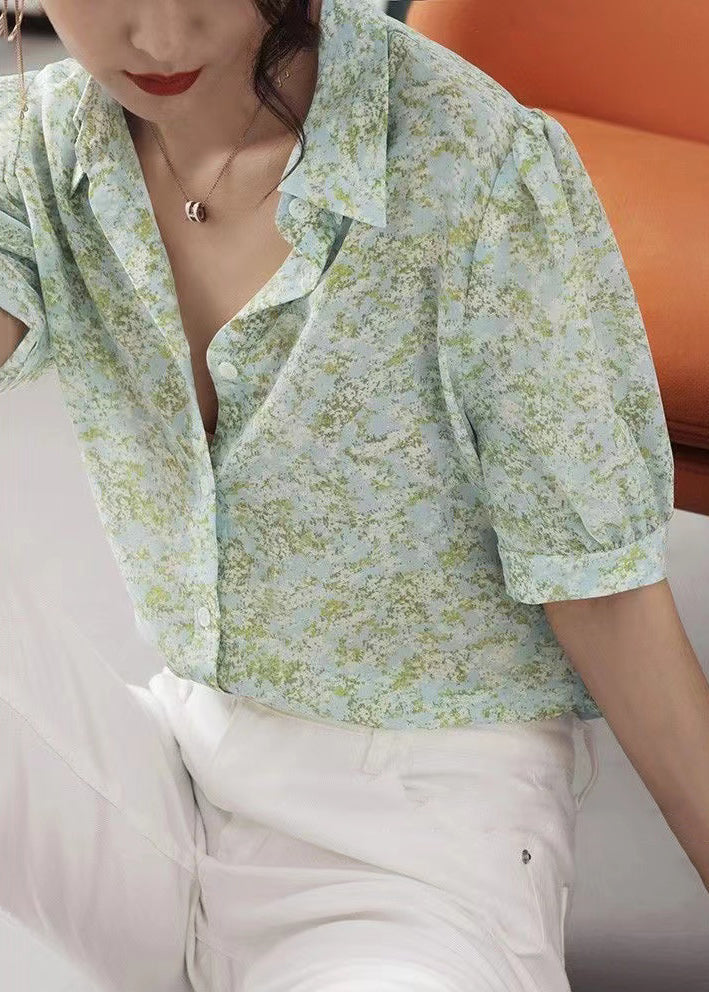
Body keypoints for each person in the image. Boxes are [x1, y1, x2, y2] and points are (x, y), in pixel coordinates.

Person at [2, 0, 703, 990]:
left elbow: (606, 598)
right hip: (170, 776)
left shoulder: (473, 167)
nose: (156, 39)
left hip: (417, 845)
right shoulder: (43, 142)